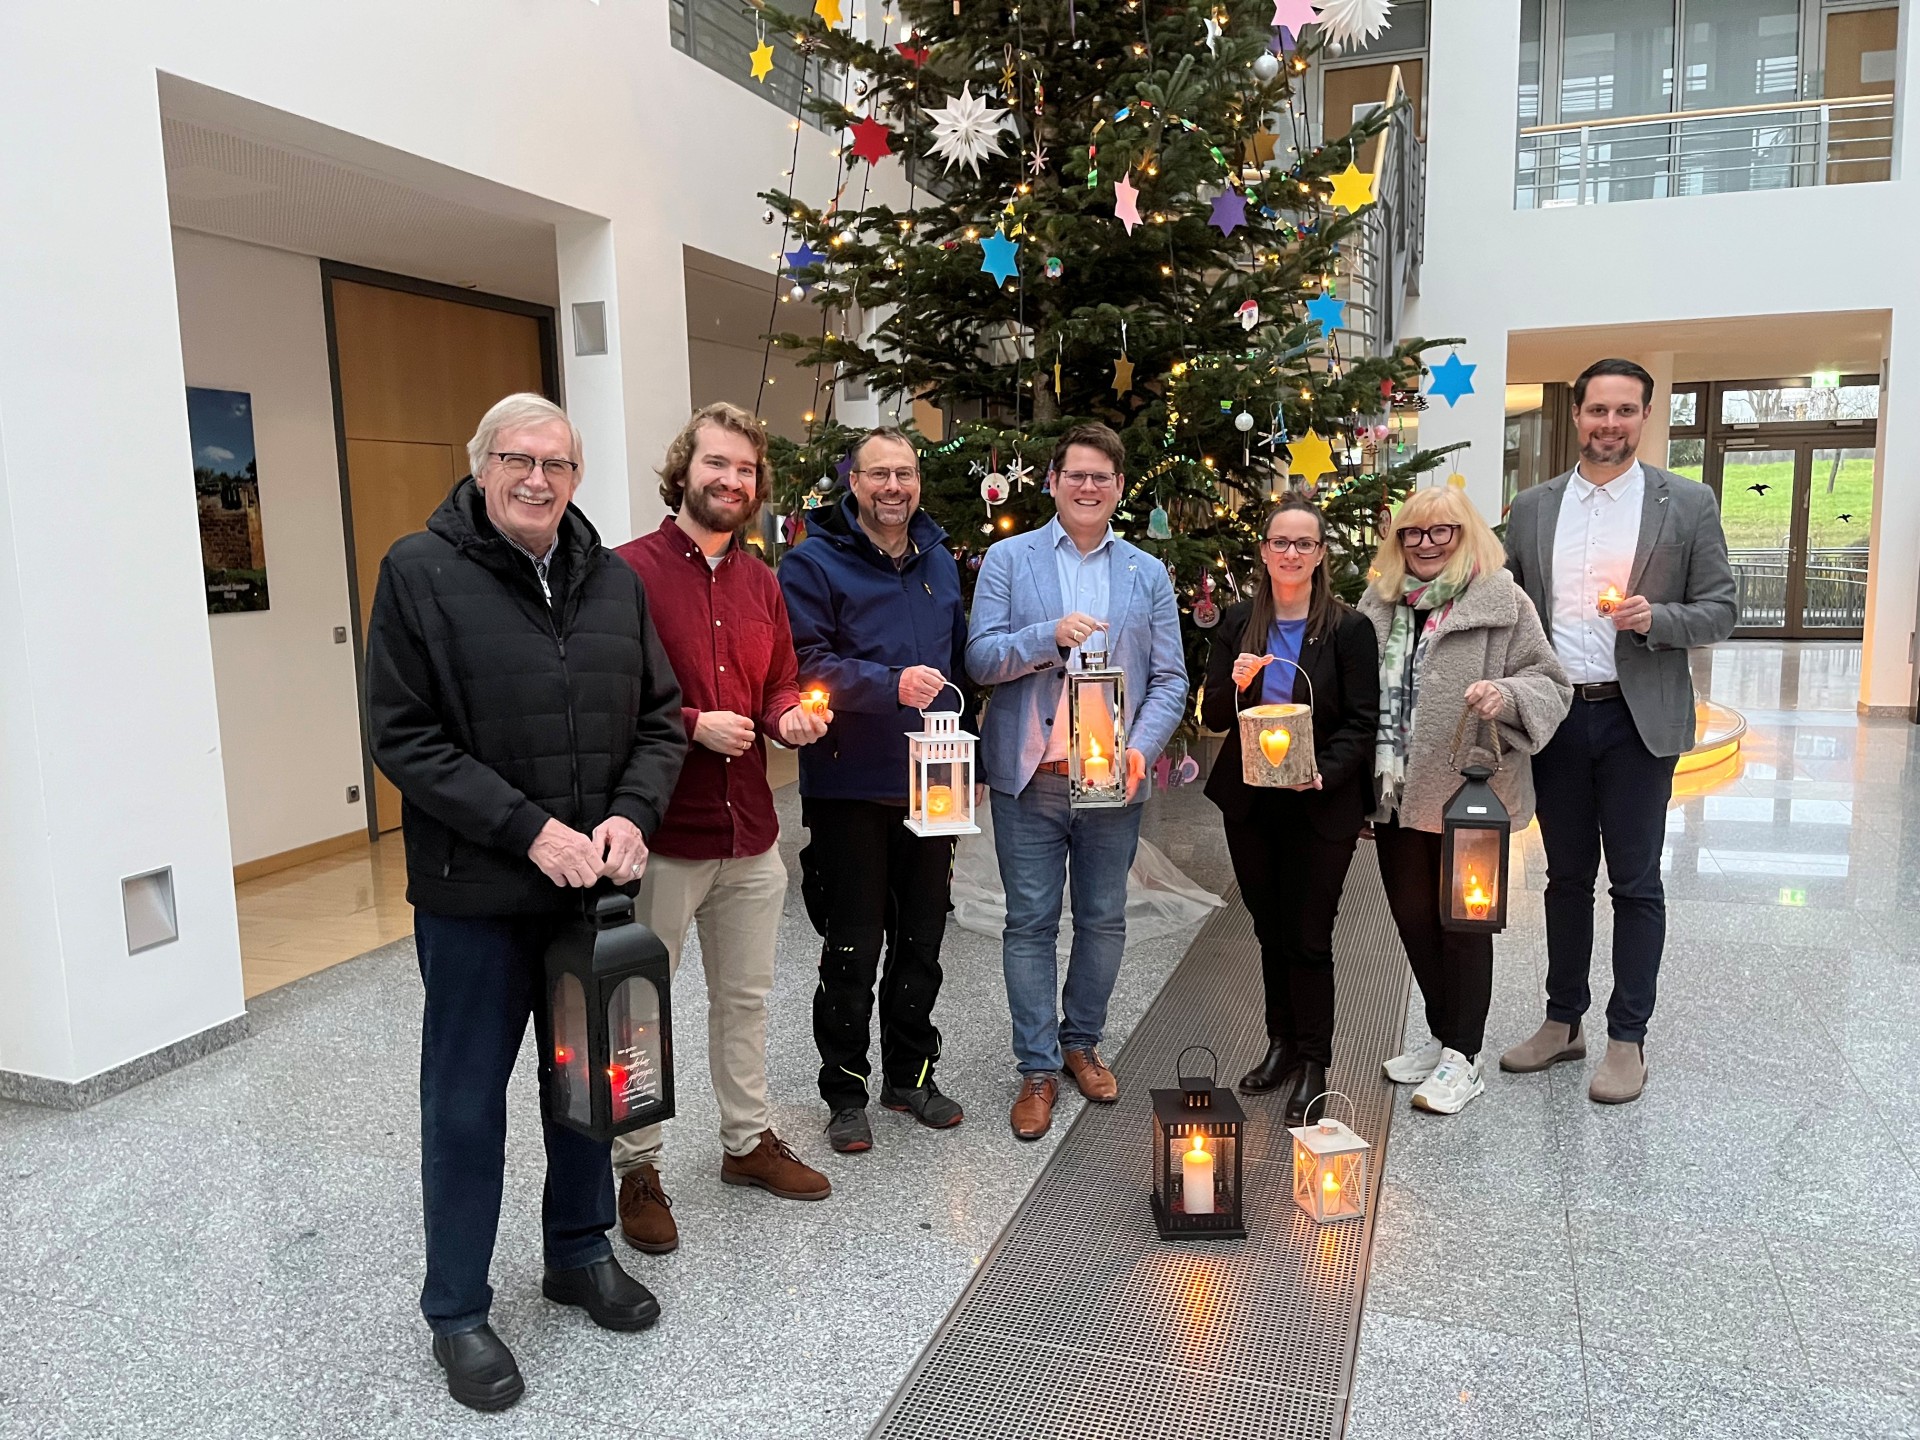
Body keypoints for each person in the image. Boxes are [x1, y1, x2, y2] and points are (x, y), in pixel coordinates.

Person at [366, 393, 687, 1412]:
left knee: (589, 1084)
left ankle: (578, 1251)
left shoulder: (613, 582)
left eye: (557, 463)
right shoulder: (419, 572)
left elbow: (662, 718)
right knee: (465, 1104)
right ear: (481, 466)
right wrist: (529, 830)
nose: (537, 479)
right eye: (517, 459)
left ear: (577, 477)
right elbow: (404, 737)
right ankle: (457, 1309)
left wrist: (633, 813)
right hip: (476, 898)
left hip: (588, 896)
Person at [607, 403, 833, 1256]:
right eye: (716, 463)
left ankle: (746, 1142)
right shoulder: (624, 574)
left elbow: (778, 685)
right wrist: (693, 723)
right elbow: (606, 698)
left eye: (745, 469)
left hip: (750, 835)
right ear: (683, 470)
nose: (731, 480)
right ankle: (637, 1166)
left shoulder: (761, 582)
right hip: (663, 836)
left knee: (746, 1000)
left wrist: (790, 718)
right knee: (637, 1009)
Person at [1501, 359, 1737, 1103]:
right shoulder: (1532, 507)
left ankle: (1627, 1038)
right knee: (1565, 878)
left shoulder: (1686, 502)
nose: (1611, 423)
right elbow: (1507, 603)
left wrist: (1654, 618)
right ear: (1576, 415)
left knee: (1635, 883)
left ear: (1644, 417)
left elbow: (1721, 610)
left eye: (1625, 410)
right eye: (1598, 409)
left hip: (1638, 721)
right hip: (1558, 716)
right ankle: (1562, 1021)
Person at [965, 422, 1187, 1141]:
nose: (1088, 487)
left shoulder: (1146, 573)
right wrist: (1047, 637)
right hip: (1031, 776)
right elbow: (980, 659)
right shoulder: (1009, 559)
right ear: (1053, 482)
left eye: (1101, 477)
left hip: (1111, 781)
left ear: (1119, 487)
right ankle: (1036, 1068)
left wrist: (1140, 748)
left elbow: (1171, 680)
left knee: (1103, 918)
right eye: (1076, 475)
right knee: (1029, 921)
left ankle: (1080, 1043)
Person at [778, 427, 973, 1154]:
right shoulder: (812, 563)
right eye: (879, 474)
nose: (894, 487)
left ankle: (910, 1076)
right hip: (849, 786)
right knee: (852, 948)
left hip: (933, 787)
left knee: (923, 941)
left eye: (906, 474)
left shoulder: (939, 561)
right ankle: (844, 1092)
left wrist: (971, 762)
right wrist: (889, 685)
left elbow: (958, 666)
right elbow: (803, 663)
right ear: (853, 482)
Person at [1360, 485, 1570, 1115]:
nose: (1425, 544)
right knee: (1413, 920)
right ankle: (1443, 1034)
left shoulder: (1502, 600)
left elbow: (1549, 682)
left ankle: (1464, 1055)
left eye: (1440, 531)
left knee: (1463, 928)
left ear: (1465, 535)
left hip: (1468, 798)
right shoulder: (1379, 602)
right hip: (1396, 795)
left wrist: (1507, 696)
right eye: (1412, 533)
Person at [1201, 498, 1380, 1125]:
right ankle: (1279, 1044)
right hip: (1251, 803)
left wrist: (1321, 772)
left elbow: (1362, 722)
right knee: (1268, 928)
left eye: (1305, 543)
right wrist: (1238, 683)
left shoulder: (1349, 629)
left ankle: (1313, 1061)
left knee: (1308, 934)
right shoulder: (1238, 622)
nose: (1292, 553)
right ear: (1264, 550)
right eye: (1281, 542)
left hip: (1319, 804)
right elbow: (1214, 715)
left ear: (1321, 553)